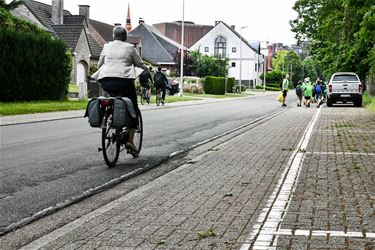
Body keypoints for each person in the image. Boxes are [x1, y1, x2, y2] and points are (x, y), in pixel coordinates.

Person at [94, 26, 147, 152]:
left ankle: (111, 116)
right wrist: (146, 70)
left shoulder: (106, 46)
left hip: (106, 81)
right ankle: (129, 140)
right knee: (133, 108)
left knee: (112, 97)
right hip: (124, 82)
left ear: (114, 36)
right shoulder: (130, 48)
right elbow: (139, 64)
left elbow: (99, 64)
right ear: (125, 37)